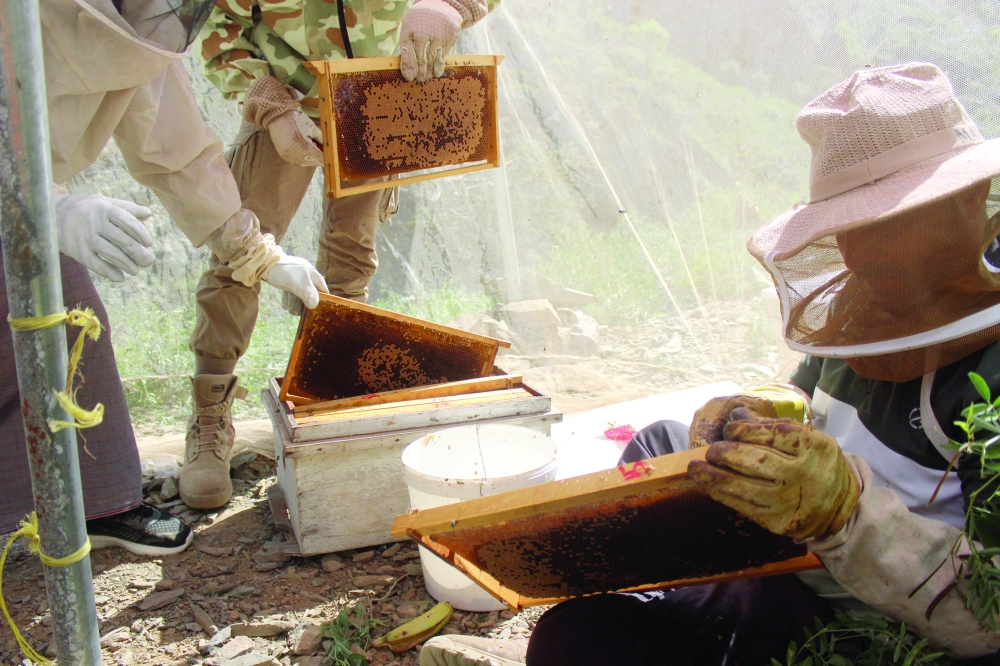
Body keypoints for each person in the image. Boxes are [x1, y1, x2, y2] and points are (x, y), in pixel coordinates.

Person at [418, 63, 1000, 665]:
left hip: (864, 621)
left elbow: (990, 617)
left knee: (575, 641)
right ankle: (683, 604)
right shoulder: (868, 308)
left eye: (899, 225)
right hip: (793, 551)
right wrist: (760, 410)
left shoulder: (992, 378)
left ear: (970, 200)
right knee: (663, 444)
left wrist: (846, 515)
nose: (870, 253)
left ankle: (684, 617)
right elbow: (807, 397)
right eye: (858, 229)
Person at [0, 0, 332, 550]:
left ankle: (96, 505)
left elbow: (179, 153)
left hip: (29, 204)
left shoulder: (145, 39)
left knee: (69, 316)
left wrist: (257, 252)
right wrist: (44, 205)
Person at [188, 0, 499, 508]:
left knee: (351, 258)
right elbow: (214, 23)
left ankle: (331, 391)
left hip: (380, 96)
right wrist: (266, 99)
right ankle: (209, 412)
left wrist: (450, 5)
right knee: (240, 253)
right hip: (284, 103)